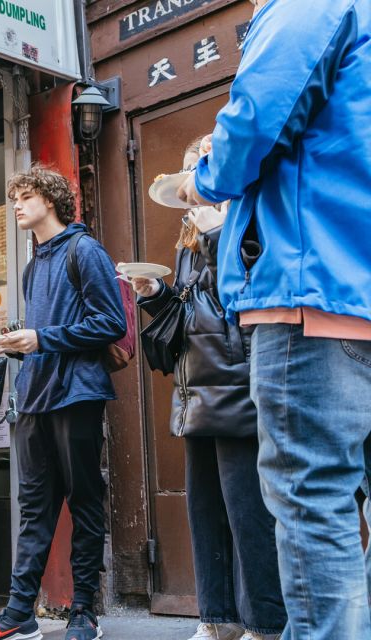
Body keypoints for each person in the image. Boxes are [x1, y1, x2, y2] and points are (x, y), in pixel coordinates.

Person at [177, 0, 371, 637]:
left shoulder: (306, 6)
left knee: (312, 505)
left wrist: (202, 179)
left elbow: (257, 116)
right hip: (353, 288)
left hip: (309, 293)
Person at [134, 137, 285, 640]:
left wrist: (221, 232)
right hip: (196, 390)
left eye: (196, 176)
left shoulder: (248, 218)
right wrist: (156, 295)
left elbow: (248, 298)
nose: (190, 190)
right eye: (185, 181)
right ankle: (217, 618)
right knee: (205, 512)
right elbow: (189, 316)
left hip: (238, 387)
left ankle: (265, 622)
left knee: (250, 514)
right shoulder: (190, 239)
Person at [0, 166, 126, 640]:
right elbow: (43, 335)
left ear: (52, 200)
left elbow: (111, 323)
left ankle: (84, 612)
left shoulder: (85, 250)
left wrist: (41, 338)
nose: (16, 204)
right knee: (35, 509)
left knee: (84, 503)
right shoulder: (31, 265)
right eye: (14, 196)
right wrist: (12, 345)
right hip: (36, 399)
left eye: (26, 195)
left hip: (78, 393)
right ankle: (20, 612)